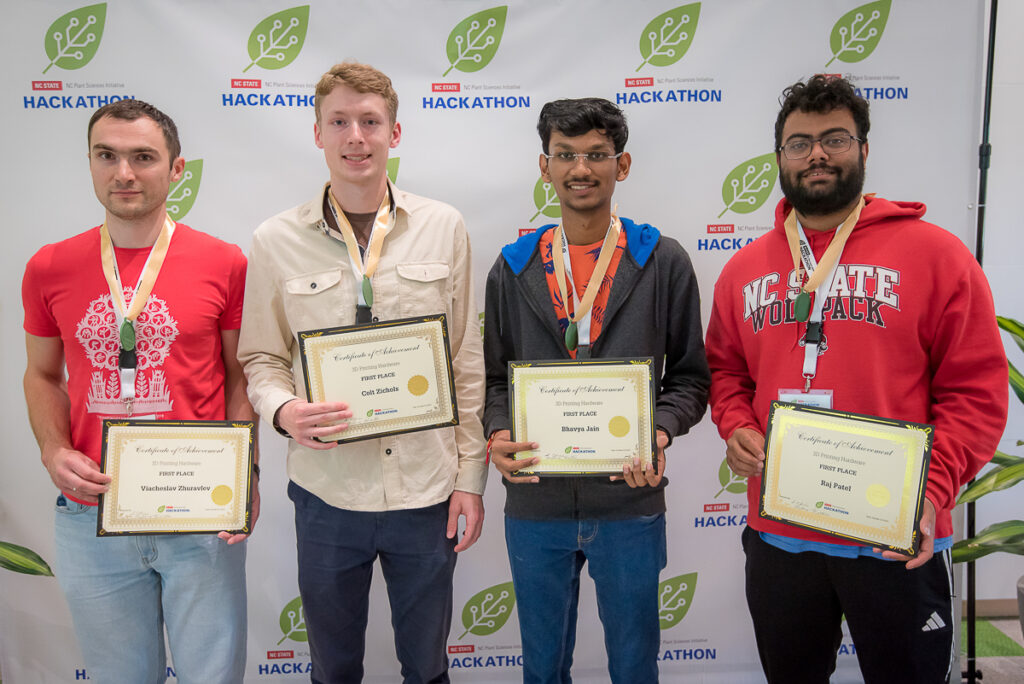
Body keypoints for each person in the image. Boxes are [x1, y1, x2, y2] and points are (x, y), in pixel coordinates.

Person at [705, 75, 1009, 684]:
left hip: (896, 535)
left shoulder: (937, 255)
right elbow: (726, 370)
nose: (816, 154)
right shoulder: (743, 269)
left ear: (864, 150)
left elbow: (975, 393)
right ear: (780, 158)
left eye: (834, 139)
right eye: (799, 143)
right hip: (781, 537)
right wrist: (736, 425)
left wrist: (932, 491)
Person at [237, 62, 486, 684]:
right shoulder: (275, 239)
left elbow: (464, 359)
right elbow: (261, 357)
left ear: (394, 134)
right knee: (333, 664)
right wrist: (282, 409)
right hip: (327, 492)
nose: (356, 136)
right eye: (340, 122)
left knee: (427, 664)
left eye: (370, 122)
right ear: (317, 133)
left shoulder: (443, 226)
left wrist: (471, 478)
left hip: (426, 489)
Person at [22, 99, 257, 683]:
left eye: (143, 157)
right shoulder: (49, 266)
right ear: (91, 163)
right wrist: (54, 450)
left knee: (213, 676)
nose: (123, 172)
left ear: (176, 169)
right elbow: (41, 374)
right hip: (92, 509)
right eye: (108, 155)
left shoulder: (224, 263)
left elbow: (240, 376)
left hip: (199, 509)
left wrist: (245, 471)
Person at [483, 98, 710, 683]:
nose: (580, 168)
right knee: (542, 667)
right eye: (566, 155)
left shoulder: (662, 261)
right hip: (536, 502)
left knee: (635, 666)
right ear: (545, 166)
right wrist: (499, 431)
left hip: (628, 501)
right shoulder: (513, 267)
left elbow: (689, 378)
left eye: (595, 155)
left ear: (622, 164)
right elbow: (492, 378)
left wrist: (657, 430)